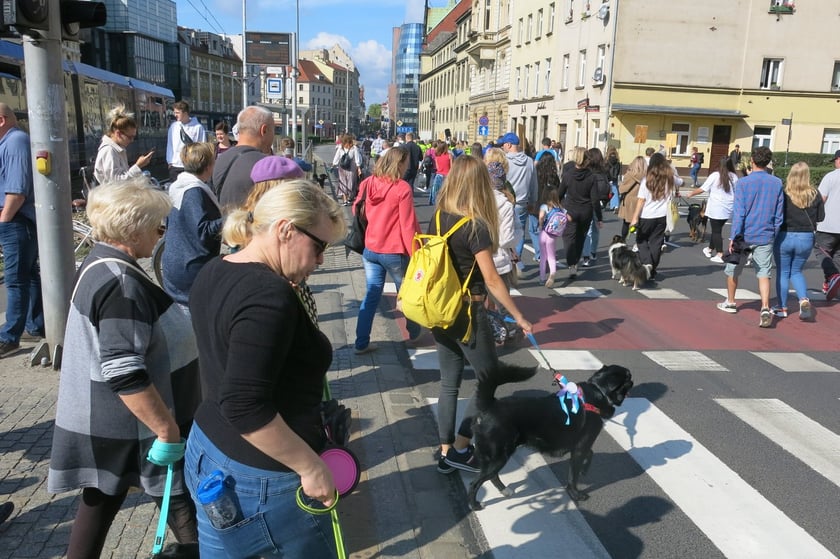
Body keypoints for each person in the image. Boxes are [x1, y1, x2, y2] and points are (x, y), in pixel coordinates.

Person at [184, 180, 346, 558]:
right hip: (263, 478)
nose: (320, 260)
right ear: (286, 230)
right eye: (318, 247)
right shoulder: (268, 295)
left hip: (209, 448)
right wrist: (310, 467)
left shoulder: (215, 268)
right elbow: (244, 404)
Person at [48, 177, 201, 558]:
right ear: (133, 228)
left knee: (100, 501)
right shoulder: (121, 283)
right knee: (188, 516)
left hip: (109, 422)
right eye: (157, 225)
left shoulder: (100, 260)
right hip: (137, 429)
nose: (160, 234)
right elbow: (124, 369)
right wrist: (166, 429)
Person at [429, 155, 532, 474]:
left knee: (449, 383)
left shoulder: (439, 215)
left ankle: (446, 450)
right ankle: (460, 448)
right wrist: (519, 315)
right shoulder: (475, 225)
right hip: (469, 313)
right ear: (479, 185)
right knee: (488, 379)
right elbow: (491, 279)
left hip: (440, 308)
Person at [352, 148, 422, 354]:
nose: (408, 166)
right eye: (406, 162)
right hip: (394, 251)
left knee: (372, 294)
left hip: (371, 248)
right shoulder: (402, 188)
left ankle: (361, 342)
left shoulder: (368, 183)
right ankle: (415, 332)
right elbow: (407, 225)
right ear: (399, 163)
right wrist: (416, 253)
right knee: (407, 295)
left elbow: (355, 209)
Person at [716, 146, 784, 327]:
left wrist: (733, 236)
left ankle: (730, 301)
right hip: (766, 234)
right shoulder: (777, 183)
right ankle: (765, 307)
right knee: (764, 272)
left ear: (752, 161)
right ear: (768, 162)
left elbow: (739, 213)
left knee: (733, 269)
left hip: (745, 234)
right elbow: (779, 215)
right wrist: (774, 233)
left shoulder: (743, 183)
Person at [0, 103, 44, 358]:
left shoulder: (15, 142)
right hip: (17, 220)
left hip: (16, 221)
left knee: (16, 279)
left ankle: (9, 337)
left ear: (2, 120)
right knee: (28, 275)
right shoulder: (11, 141)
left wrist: (4, 221)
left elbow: (17, 190)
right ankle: (35, 324)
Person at [162, 142, 222, 313]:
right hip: (191, 267)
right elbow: (203, 232)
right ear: (209, 165)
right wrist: (231, 219)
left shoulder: (177, 186)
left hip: (175, 261)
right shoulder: (194, 192)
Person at [771, 162, 825, 320]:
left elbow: (776, 215)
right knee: (796, 271)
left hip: (785, 236)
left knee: (783, 272)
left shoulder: (784, 193)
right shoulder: (814, 193)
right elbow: (821, 217)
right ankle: (803, 299)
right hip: (806, 237)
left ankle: (782, 307)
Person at [214, 106, 275, 208]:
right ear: (263, 130)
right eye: (273, 129)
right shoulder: (267, 165)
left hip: (225, 222)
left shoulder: (219, 160)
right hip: (252, 222)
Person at [629, 152, 677, 282]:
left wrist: (635, 217)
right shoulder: (669, 179)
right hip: (662, 216)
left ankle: (647, 262)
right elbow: (682, 182)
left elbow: (641, 201)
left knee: (641, 240)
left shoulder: (646, 180)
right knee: (656, 243)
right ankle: (653, 270)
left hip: (646, 215)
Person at [686, 157, 738, 263]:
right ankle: (709, 249)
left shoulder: (715, 175)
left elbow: (702, 188)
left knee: (716, 231)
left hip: (716, 208)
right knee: (717, 229)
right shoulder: (734, 177)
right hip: (729, 208)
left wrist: (691, 193)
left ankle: (720, 254)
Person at [559, 147, 600, 279]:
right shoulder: (592, 177)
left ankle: (572, 264)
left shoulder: (568, 175)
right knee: (581, 238)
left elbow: (560, 193)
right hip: (586, 212)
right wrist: (599, 217)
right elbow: (595, 199)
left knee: (568, 238)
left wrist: (558, 208)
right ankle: (575, 260)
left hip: (570, 210)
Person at [500, 132, 539, 269]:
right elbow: (534, 183)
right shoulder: (529, 161)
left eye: (503, 144)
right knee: (519, 231)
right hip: (522, 202)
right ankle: (517, 260)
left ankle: (507, 260)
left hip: (505, 201)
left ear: (509, 145)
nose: (503, 147)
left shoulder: (504, 161)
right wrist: (533, 201)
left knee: (504, 231)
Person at [93, 104, 154, 184]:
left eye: (133, 137)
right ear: (118, 134)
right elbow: (116, 182)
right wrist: (138, 166)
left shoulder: (116, 149)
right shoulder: (109, 150)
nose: (132, 140)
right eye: (130, 137)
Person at [815, 149, 840, 301]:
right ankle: (831, 283)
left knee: (820, 250)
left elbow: (820, 200)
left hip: (827, 225)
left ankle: (832, 276)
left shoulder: (830, 177)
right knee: (837, 256)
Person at [166, 101, 207, 183]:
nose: (175, 115)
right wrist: (170, 161)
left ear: (185, 112)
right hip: (176, 165)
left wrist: (199, 163)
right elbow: (170, 145)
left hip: (191, 165)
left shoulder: (198, 127)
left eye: (177, 112)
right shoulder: (173, 127)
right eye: (174, 112)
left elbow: (202, 146)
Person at [581, 148, 608, 267]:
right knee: (596, 229)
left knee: (587, 230)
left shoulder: (587, 171)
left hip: (587, 202)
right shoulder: (603, 171)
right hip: (599, 203)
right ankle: (593, 252)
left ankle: (586, 255)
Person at [538, 186, 563, 288]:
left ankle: (542, 278)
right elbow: (568, 217)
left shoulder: (544, 206)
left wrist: (540, 225)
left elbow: (541, 217)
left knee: (543, 257)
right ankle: (552, 273)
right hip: (552, 235)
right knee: (552, 257)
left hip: (543, 233)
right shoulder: (559, 207)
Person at [617, 156, 646, 241]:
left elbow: (622, 189)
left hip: (629, 200)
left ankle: (623, 240)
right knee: (640, 223)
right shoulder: (647, 176)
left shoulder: (629, 175)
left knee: (626, 223)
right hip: (641, 200)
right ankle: (639, 243)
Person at [332, 133, 362, 205]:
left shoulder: (340, 147)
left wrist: (333, 165)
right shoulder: (354, 148)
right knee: (350, 183)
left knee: (343, 183)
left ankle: (346, 199)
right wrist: (359, 168)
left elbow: (336, 158)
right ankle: (347, 199)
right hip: (351, 169)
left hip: (342, 168)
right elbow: (357, 159)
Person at [429, 139, 453, 206]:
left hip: (439, 175)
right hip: (447, 176)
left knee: (436, 191)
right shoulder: (449, 156)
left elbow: (438, 167)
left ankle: (435, 203)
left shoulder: (437, 157)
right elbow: (452, 167)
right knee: (447, 192)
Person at [606, 146, 622, 211]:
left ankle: (604, 203)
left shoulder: (606, 160)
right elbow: (618, 171)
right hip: (614, 178)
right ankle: (615, 205)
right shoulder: (617, 162)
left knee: (607, 191)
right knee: (614, 191)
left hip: (607, 178)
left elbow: (605, 170)